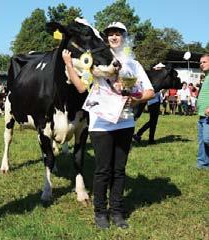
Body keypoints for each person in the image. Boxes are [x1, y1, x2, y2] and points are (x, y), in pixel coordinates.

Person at [62, 21, 154, 229]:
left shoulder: (133, 64)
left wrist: (136, 97)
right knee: (103, 170)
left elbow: (149, 91)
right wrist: (68, 64)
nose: (114, 37)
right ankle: (101, 212)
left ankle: (118, 212)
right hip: (101, 124)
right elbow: (79, 87)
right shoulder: (93, 62)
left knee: (119, 170)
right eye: (110, 34)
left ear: (124, 37)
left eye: (118, 34)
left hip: (125, 123)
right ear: (106, 38)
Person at [196, 53, 209, 170]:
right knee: (201, 141)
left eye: (204, 62)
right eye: (200, 62)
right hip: (201, 115)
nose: (201, 64)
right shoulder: (206, 77)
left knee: (207, 139)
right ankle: (202, 164)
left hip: (208, 115)